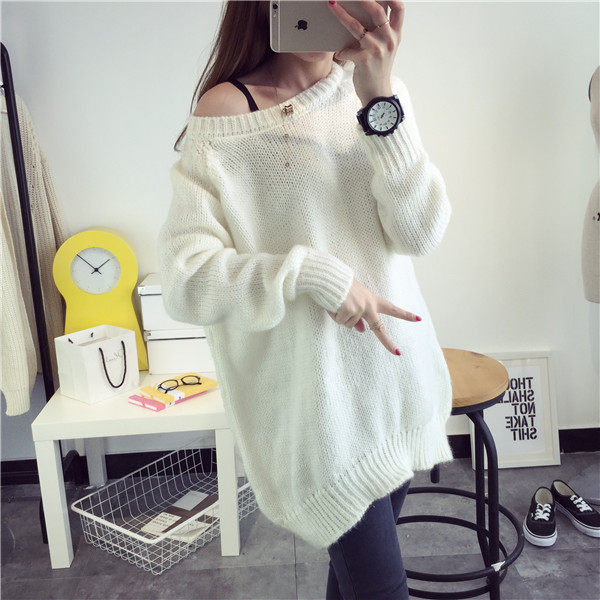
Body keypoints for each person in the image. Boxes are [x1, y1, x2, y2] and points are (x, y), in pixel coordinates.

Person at [157, 1, 454, 598]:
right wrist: (311, 274)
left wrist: (379, 100)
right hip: (320, 413)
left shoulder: (379, 97)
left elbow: (420, 233)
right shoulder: (227, 113)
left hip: (394, 383)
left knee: (352, 586)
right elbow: (187, 280)